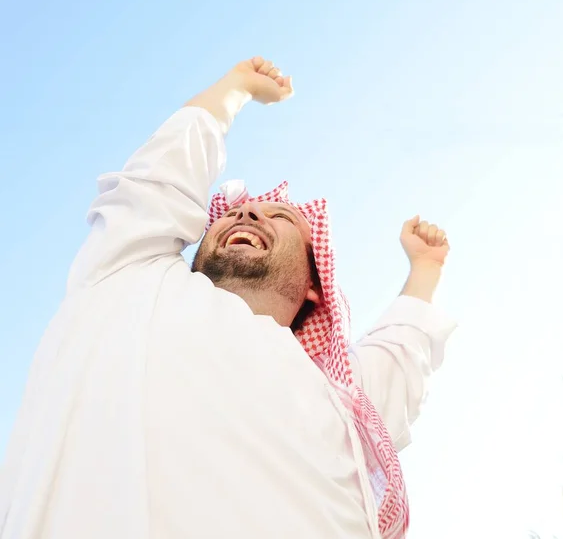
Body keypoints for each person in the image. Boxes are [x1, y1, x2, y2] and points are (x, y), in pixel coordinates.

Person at [0, 57, 456, 539]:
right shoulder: (129, 275)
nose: (251, 216)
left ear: (313, 285)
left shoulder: (344, 399)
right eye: (236, 211)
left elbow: (403, 356)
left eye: (280, 217)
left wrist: (426, 268)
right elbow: (165, 171)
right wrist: (236, 86)